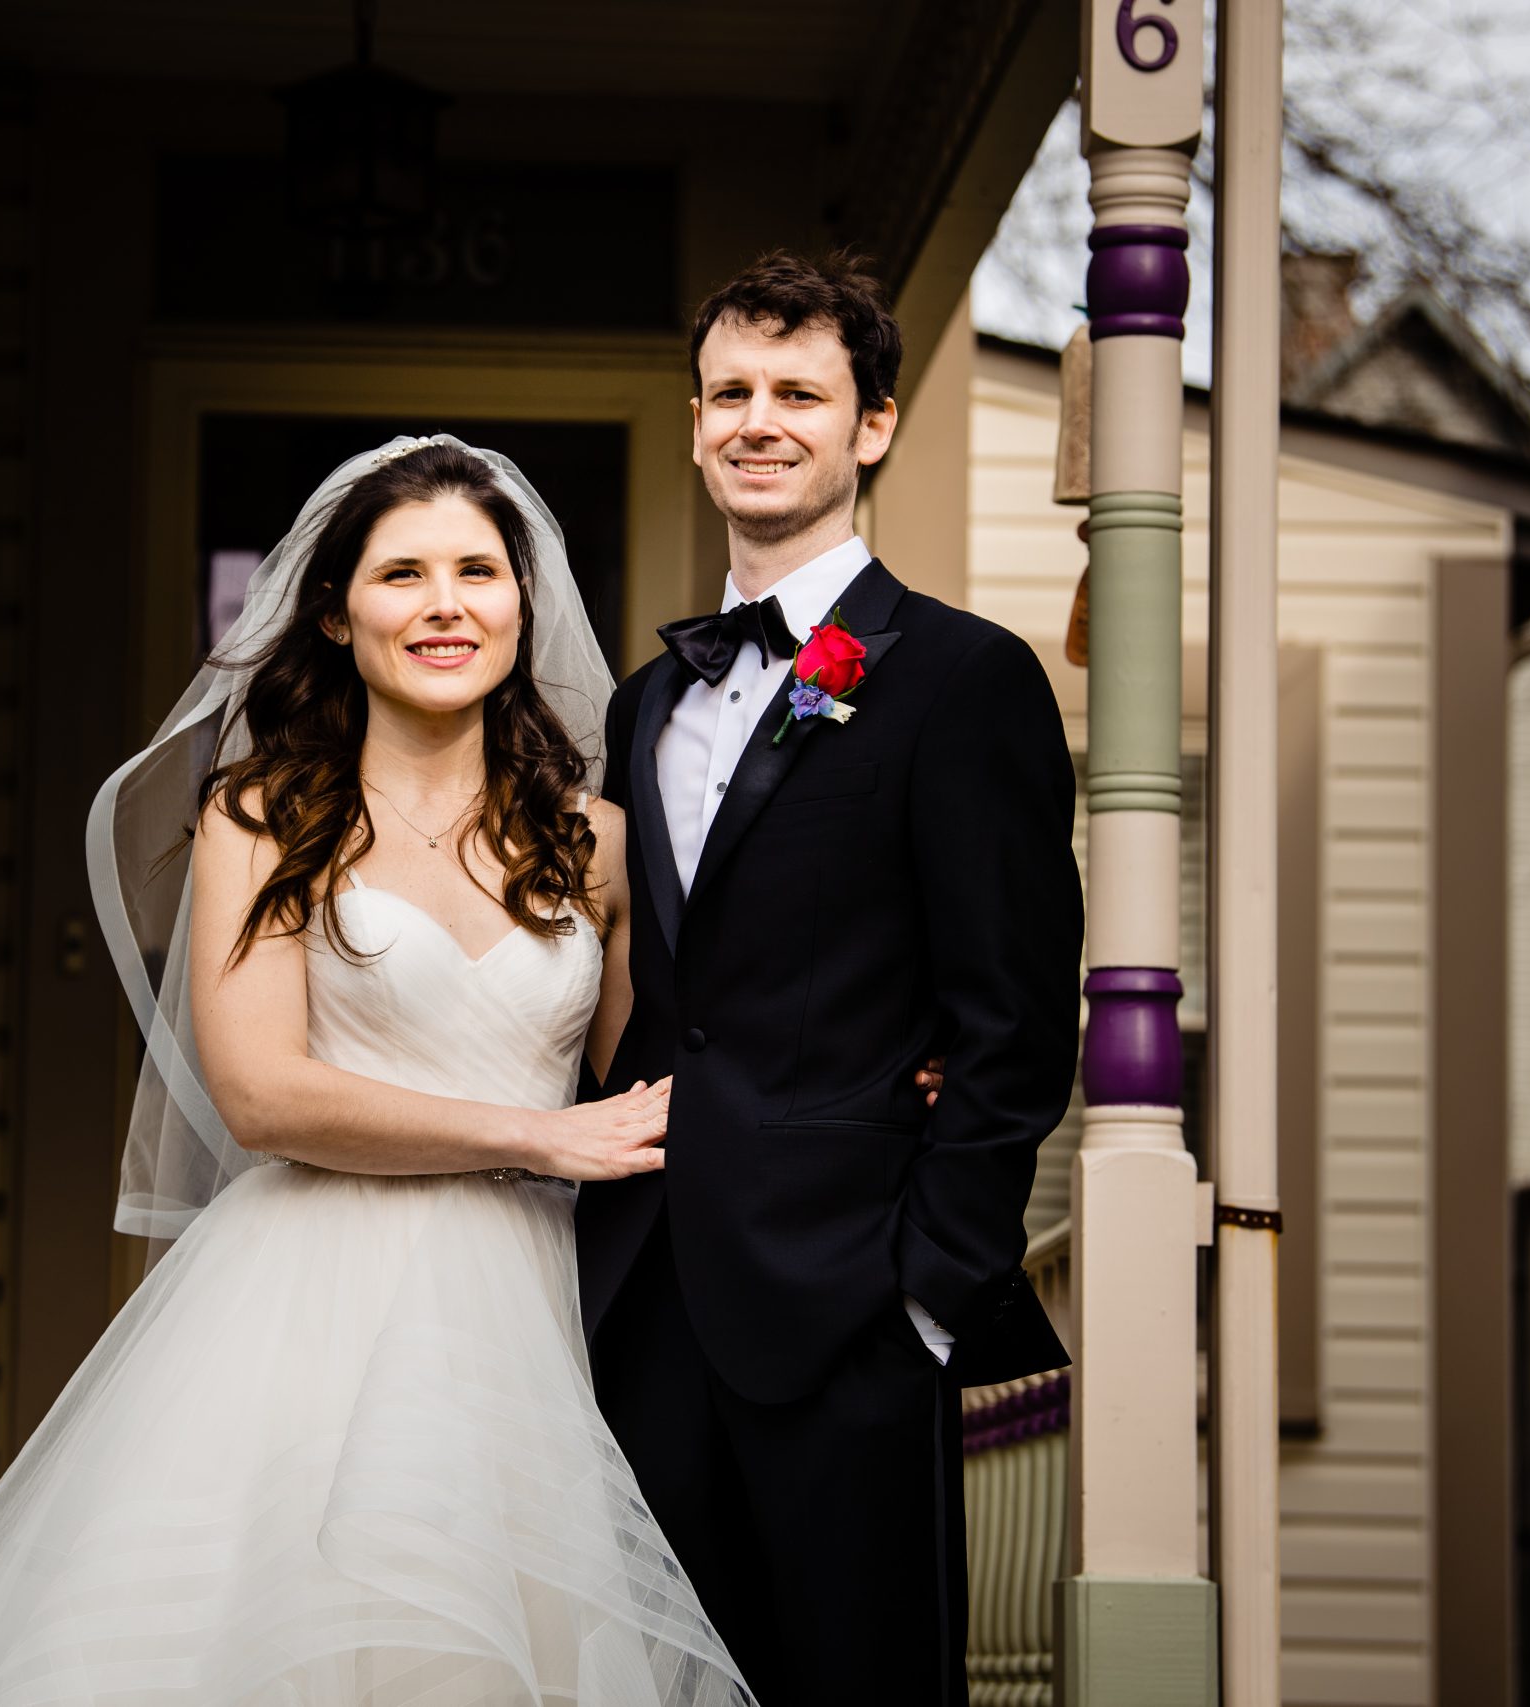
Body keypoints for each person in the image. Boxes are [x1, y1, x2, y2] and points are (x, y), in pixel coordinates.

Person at [0, 438, 758, 1706]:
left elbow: (656, 1073)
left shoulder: (592, 840)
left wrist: (884, 1069)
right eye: (402, 575)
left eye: (478, 572)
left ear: (522, 603)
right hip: (309, 1311)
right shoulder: (265, 816)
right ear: (336, 614)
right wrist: (538, 1137)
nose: (446, 604)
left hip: (530, 1312)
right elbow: (263, 1094)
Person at [576, 251, 1084, 1705]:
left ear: (873, 426)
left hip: (849, 1300)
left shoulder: (961, 679)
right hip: (646, 1287)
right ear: (692, 424)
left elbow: (1012, 1016)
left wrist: (926, 1288)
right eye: (730, 390)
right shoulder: (646, 700)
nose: (759, 418)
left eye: (800, 391)